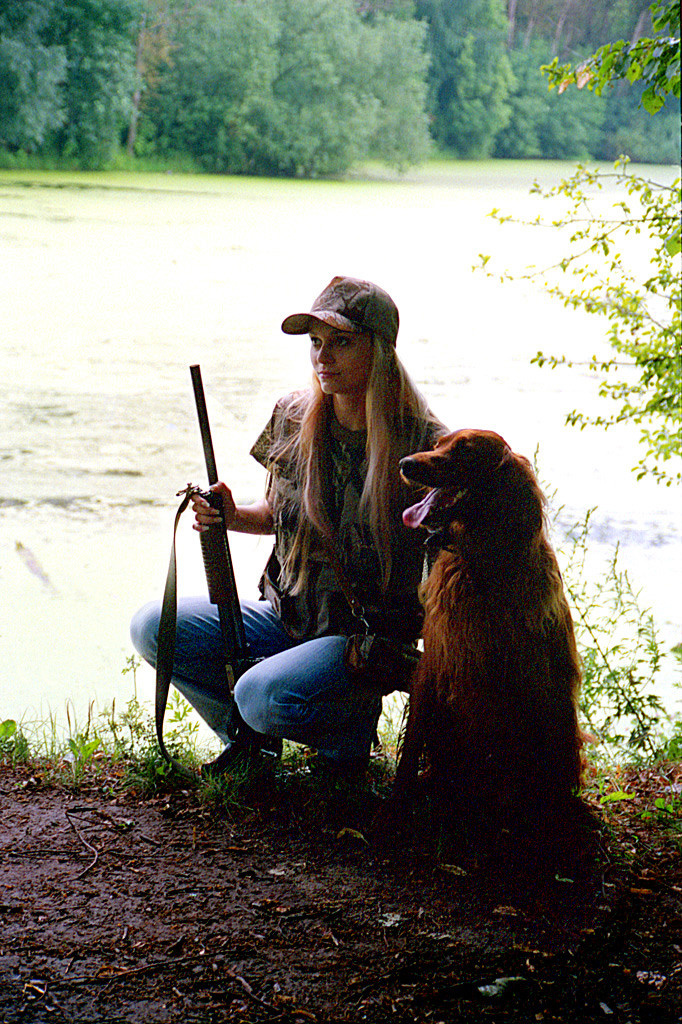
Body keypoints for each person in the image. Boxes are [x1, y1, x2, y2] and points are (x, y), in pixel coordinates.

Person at [130, 276, 445, 778]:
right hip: (287, 616)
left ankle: (347, 734)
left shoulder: (424, 444)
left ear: (380, 349)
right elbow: (277, 513)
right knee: (153, 628)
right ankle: (250, 745)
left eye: (341, 342)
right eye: (316, 342)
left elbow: (449, 561)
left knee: (260, 696)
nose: (323, 356)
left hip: (358, 644)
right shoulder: (292, 415)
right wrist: (232, 516)